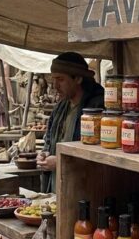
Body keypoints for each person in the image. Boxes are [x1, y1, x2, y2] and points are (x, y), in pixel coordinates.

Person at [37, 52, 104, 192]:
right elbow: (49, 141)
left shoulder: (98, 108)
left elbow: (100, 155)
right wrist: (44, 154)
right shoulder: (60, 108)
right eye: (53, 79)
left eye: (60, 79)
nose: (55, 86)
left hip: (85, 187)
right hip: (58, 187)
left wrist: (61, 162)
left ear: (78, 78)